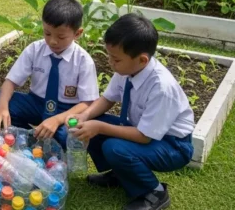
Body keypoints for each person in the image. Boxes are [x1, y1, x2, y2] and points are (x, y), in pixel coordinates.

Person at [70, 14, 194, 210]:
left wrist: (99, 127)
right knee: (92, 122)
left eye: (116, 59)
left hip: (173, 145)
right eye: (109, 56)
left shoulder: (161, 87)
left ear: (142, 60)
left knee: (113, 146)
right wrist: (85, 115)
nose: (110, 62)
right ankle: (121, 174)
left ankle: (155, 192)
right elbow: (107, 99)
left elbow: (144, 137)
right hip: (146, 132)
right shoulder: (127, 70)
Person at [0, 0, 98, 148]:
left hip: (66, 110)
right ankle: (30, 138)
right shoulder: (35, 49)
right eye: (47, 33)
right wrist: (2, 108)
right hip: (36, 103)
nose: (53, 41)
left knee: (68, 135)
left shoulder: (83, 60)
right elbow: (10, 82)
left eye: (61, 36)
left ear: (77, 33)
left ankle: (52, 143)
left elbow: (87, 102)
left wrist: (57, 120)